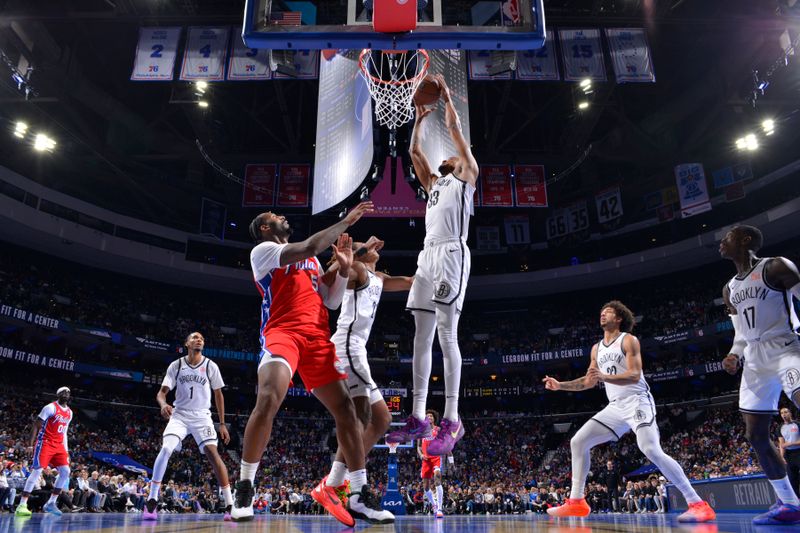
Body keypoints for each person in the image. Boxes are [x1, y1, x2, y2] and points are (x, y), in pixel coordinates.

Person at [231, 203, 393, 526]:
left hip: (317, 338)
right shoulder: (263, 252)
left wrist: (345, 268)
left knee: (347, 410)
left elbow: (330, 301)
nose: (281, 217)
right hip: (283, 332)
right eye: (274, 217)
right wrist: (347, 221)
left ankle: (358, 494)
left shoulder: (314, 262)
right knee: (268, 398)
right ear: (265, 228)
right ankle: (245, 486)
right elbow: (310, 245)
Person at [542, 301, 715, 522]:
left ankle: (697, 503)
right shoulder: (596, 348)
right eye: (601, 312)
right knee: (578, 442)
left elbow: (634, 375)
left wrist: (603, 377)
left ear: (619, 318)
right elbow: (588, 381)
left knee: (650, 449)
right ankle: (576, 502)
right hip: (615, 406)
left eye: (608, 312)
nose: (603, 315)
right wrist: (560, 385)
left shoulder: (628, 340)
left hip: (637, 401)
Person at [388, 74, 479, 455]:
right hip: (428, 255)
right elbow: (414, 155)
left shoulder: (467, 177)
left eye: (452, 154)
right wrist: (418, 120)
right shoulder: (435, 185)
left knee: (446, 335)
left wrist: (446, 101)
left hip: (453, 255)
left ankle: (453, 418)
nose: (447, 155)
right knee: (420, 335)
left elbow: (457, 130)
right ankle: (419, 416)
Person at [719, 225, 800, 525]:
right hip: (753, 360)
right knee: (755, 434)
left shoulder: (776, 266)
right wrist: (733, 354)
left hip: (784, 347)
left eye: (726, 238)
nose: (721, 243)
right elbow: (740, 334)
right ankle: (790, 504)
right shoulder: (729, 289)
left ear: (745, 239)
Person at [324, 236, 413, 502]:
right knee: (360, 416)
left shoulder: (379, 277)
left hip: (357, 350)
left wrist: (439, 266)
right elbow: (329, 278)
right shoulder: (358, 270)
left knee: (382, 419)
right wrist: (358, 251)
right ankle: (349, 488)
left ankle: (334, 481)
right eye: (367, 247)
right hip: (346, 347)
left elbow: (410, 282)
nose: (375, 248)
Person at [142, 332, 233, 521]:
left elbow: (219, 396)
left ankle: (230, 504)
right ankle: (151, 501)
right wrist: (163, 404)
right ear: (187, 343)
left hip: (202, 417)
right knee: (166, 449)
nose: (199, 340)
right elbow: (161, 393)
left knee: (212, 453)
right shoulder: (176, 365)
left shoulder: (210, 365)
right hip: (180, 415)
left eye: (202, 338)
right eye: (195, 337)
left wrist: (222, 424)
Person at [15, 387, 73, 517]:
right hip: (45, 443)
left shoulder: (69, 412)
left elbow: (64, 433)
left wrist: (66, 450)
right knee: (37, 471)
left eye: (68, 392)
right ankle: (22, 505)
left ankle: (51, 503)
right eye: (63, 392)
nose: (66, 394)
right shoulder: (50, 407)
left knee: (66, 472)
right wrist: (30, 445)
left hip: (59, 445)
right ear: (58, 395)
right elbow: (36, 425)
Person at [417, 410, 445, 518]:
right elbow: (418, 447)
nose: (429, 417)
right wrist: (421, 455)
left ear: (434, 418)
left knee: (437, 478)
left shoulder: (438, 430)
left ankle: (439, 508)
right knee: (426, 487)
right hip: (426, 459)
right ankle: (433, 504)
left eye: (431, 416)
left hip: (436, 457)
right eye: (427, 416)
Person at [778, 407, 800, 497]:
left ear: (790, 413)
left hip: (799, 452)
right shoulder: (780, 428)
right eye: (782, 413)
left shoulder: (797, 424)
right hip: (789, 455)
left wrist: (790, 443)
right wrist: (781, 457)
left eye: (786, 412)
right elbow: (782, 444)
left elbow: (786, 444)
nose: (784, 414)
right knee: (792, 480)